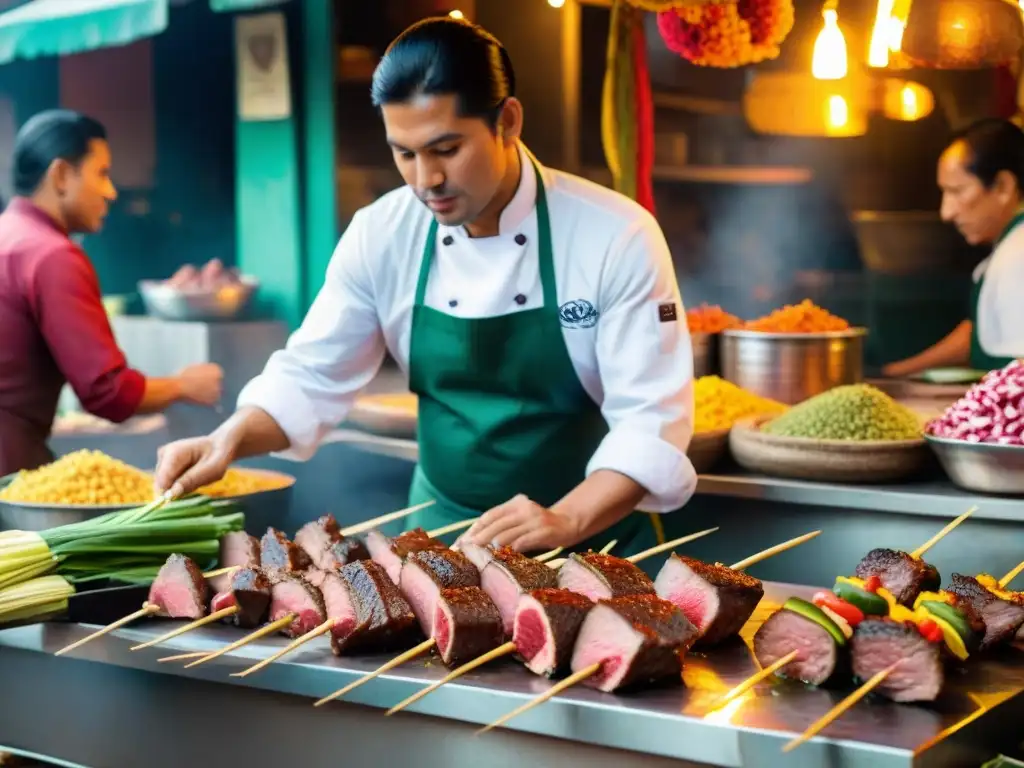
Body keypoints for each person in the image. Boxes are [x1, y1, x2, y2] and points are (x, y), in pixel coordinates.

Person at [154, 18, 697, 556]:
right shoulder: (382, 232)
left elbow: (650, 420)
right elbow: (313, 375)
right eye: (405, 153)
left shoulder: (614, 233)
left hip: (592, 548)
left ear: (507, 121)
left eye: (446, 149)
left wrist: (565, 518)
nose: (424, 180)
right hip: (442, 548)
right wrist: (228, 438)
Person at [0, 110, 223, 475]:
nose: (111, 191)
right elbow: (107, 393)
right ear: (60, 175)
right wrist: (185, 385)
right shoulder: (52, 254)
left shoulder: (8, 234)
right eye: (101, 173)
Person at [884, 118, 1024, 378]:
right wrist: (896, 372)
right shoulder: (1010, 247)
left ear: (1003, 186)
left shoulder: (1019, 256)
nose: (946, 212)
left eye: (957, 191)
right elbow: (976, 333)